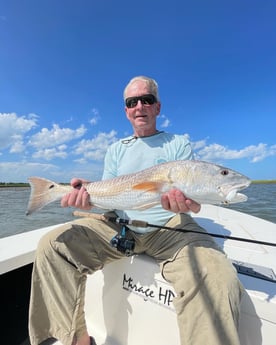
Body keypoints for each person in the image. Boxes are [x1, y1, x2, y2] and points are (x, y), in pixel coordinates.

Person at [29, 76, 244, 345]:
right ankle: (77, 341)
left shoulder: (177, 144)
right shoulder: (116, 149)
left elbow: (193, 194)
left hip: (171, 228)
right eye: (132, 102)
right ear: (126, 110)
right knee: (53, 245)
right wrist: (87, 195)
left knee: (217, 275)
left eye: (147, 100)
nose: (139, 106)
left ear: (157, 107)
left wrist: (188, 202)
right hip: (120, 225)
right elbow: (107, 194)